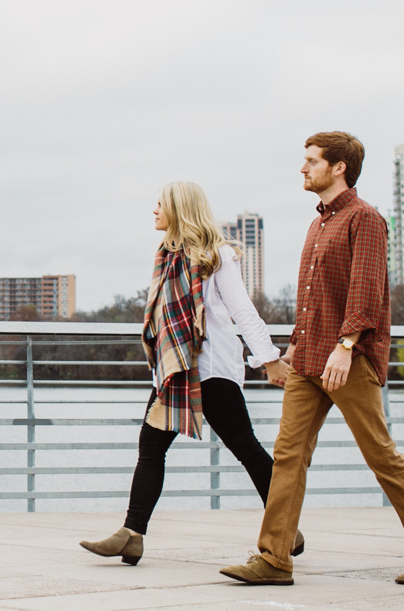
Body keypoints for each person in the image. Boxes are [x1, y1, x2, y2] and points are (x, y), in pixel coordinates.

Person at [219, 132, 404, 587]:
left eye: (311, 161)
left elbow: (366, 293)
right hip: (310, 359)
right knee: (288, 455)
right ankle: (274, 558)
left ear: (339, 168)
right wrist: (294, 345)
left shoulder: (365, 219)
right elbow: (314, 298)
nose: (303, 168)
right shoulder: (317, 224)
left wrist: (346, 346)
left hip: (349, 359)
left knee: (380, 455)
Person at [81, 181, 293, 566]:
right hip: (175, 369)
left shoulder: (216, 256)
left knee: (245, 447)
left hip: (210, 369)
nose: (154, 210)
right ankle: (132, 534)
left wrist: (268, 358)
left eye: (160, 204)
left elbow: (243, 311)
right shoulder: (167, 256)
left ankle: (286, 527)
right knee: (151, 447)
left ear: (179, 209)